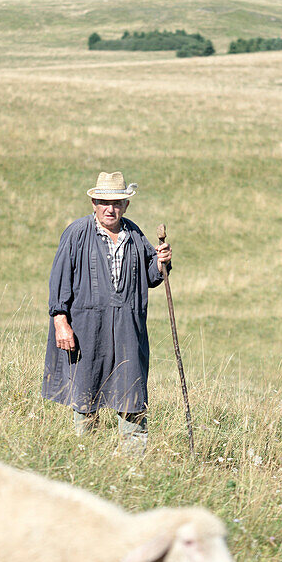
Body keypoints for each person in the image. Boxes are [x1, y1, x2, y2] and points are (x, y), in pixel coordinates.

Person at [42, 171, 172, 454]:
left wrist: (161, 262)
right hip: (88, 328)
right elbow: (60, 280)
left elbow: (152, 276)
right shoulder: (77, 233)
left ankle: (133, 462)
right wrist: (60, 322)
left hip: (128, 328)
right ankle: (87, 456)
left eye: (116, 203)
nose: (109, 209)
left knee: (132, 394)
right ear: (93, 203)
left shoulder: (135, 234)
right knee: (85, 393)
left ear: (126, 205)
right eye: (103, 202)